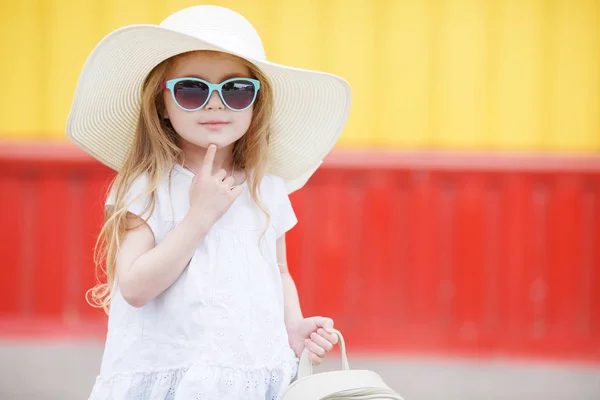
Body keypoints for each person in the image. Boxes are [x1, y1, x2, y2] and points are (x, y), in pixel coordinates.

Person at [66, 4, 351, 400]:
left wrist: (292, 325)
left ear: (255, 104)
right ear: (162, 106)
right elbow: (133, 287)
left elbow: (278, 271)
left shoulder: (264, 187)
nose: (214, 103)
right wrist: (199, 216)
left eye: (235, 90)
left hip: (251, 372)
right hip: (177, 376)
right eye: (192, 89)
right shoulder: (149, 187)